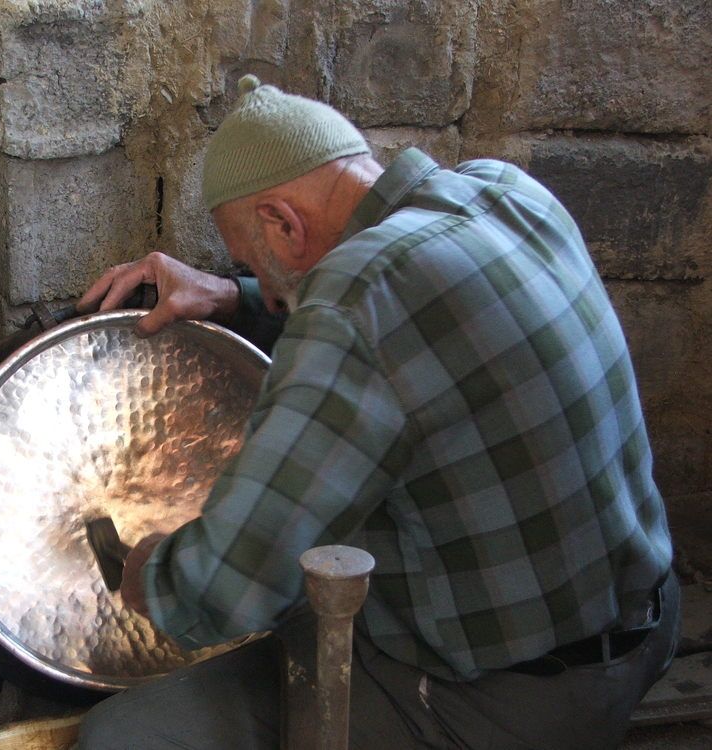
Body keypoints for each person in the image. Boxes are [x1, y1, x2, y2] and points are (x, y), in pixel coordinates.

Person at [74, 74, 679, 749]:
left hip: (510, 703)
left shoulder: (354, 302)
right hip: (642, 625)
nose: (268, 291)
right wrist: (234, 294)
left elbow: (226, 588)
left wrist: (147, 573)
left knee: (124, 736)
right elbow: (399, 328)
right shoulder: (503, 192)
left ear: (283, 223)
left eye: (252, 260)